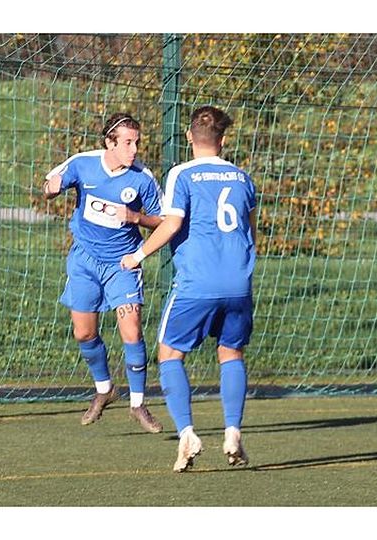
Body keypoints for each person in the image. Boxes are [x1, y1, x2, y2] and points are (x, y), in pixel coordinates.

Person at [121, 105, 256, 472]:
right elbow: (250, 231)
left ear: (188, 137)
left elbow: (172, 223)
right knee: (231, 354)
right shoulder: (243, 178)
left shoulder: (182, 174)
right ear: (224, 140)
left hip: (197, 282)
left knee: (169, 355)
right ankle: (232, 430)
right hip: (239, 283)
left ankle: (187, 434)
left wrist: (139, 254)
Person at [41, 112, 164, 433]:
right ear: (110, 142)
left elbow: (164, 221)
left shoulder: (142, 178)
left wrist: (135, 217)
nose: (134, 149)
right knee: (83, 333)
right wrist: (52, 188)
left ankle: (138, 403)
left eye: (137, 142)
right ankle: (104, 388)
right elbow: (50, 183)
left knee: (132, 330)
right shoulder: (83, 163)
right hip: (84, 260)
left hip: (122, 264)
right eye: (127, 142)